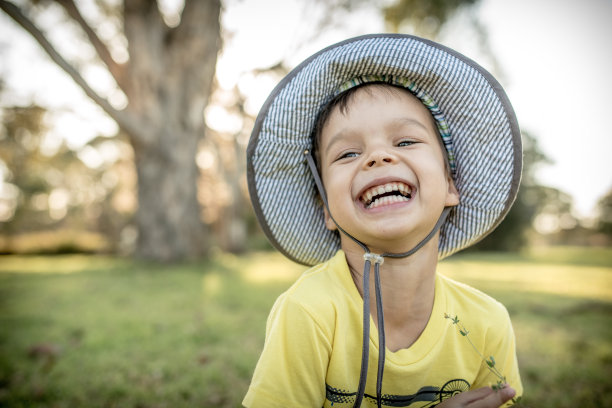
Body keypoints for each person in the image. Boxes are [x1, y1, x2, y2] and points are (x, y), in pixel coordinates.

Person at [243, 34, 523, 408]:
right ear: (326, 208)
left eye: (405, 142)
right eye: (348, 153)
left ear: (451, 186)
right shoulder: (309, 312)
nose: (377, 156)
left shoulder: (488, 323)